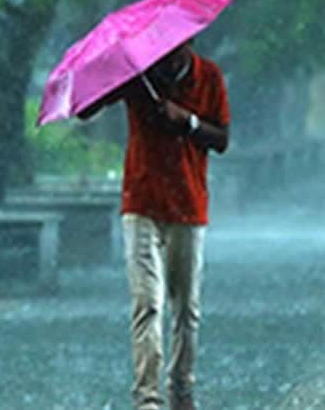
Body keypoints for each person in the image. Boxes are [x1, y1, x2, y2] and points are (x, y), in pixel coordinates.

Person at [81, 39, 229, 410]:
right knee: (147, 302)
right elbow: (86, 110)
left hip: (189, 205)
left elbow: (222, 139)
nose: (167, 56)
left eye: (176, 49)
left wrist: (187, 121)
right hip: (142, 202)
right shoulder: (139, 76)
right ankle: (147, 397)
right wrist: (111, 74)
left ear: (190, 44)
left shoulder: (208, 76)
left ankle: (182, 386)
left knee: (186, 307)